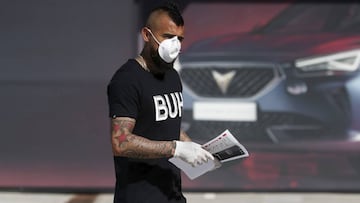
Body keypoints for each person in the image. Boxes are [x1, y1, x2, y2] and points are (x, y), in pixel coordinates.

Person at [106, 2, 215, 203]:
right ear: (147, 35)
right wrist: (176, 149)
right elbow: (120, 142)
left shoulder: (172, 76)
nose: (174, 44)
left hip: (172, 195)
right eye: (167, 36)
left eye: (179, 38)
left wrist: (191, 146)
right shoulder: (126, 80)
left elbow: (167, 124)